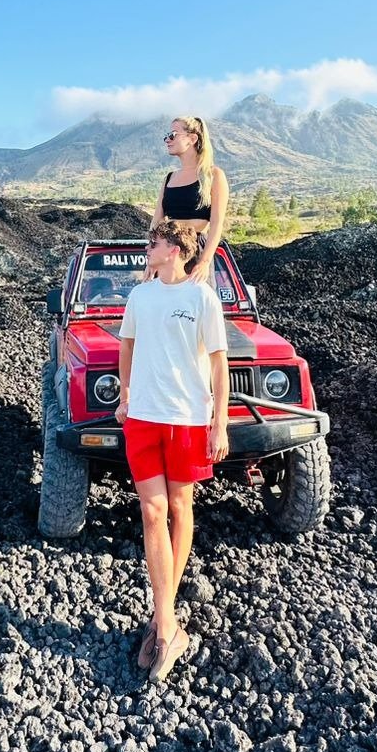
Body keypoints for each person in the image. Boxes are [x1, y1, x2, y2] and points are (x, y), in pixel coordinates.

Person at [118, 218, 229, 683]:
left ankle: (162, 617)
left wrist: (219, 423)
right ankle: (168, 622)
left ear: (176, 250)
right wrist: (125, 396)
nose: (148, 247)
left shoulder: (202, 297)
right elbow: (126, 346)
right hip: (143, 416)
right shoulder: (139, 296)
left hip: (187, 418)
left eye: (155, 241)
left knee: (181, 508)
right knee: (152, 511)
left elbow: (220, 363)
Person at [153, 115, 230, 285]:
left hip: (196, 251)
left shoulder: (213, 175)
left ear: (192, 139)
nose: (167, 140)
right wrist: (151, 260)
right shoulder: (169, 178)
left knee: (197, 299)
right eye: (166, 136)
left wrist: (204, 262)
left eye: (173, 135)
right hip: (167, 252)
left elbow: (216, 224)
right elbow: (156, 221)